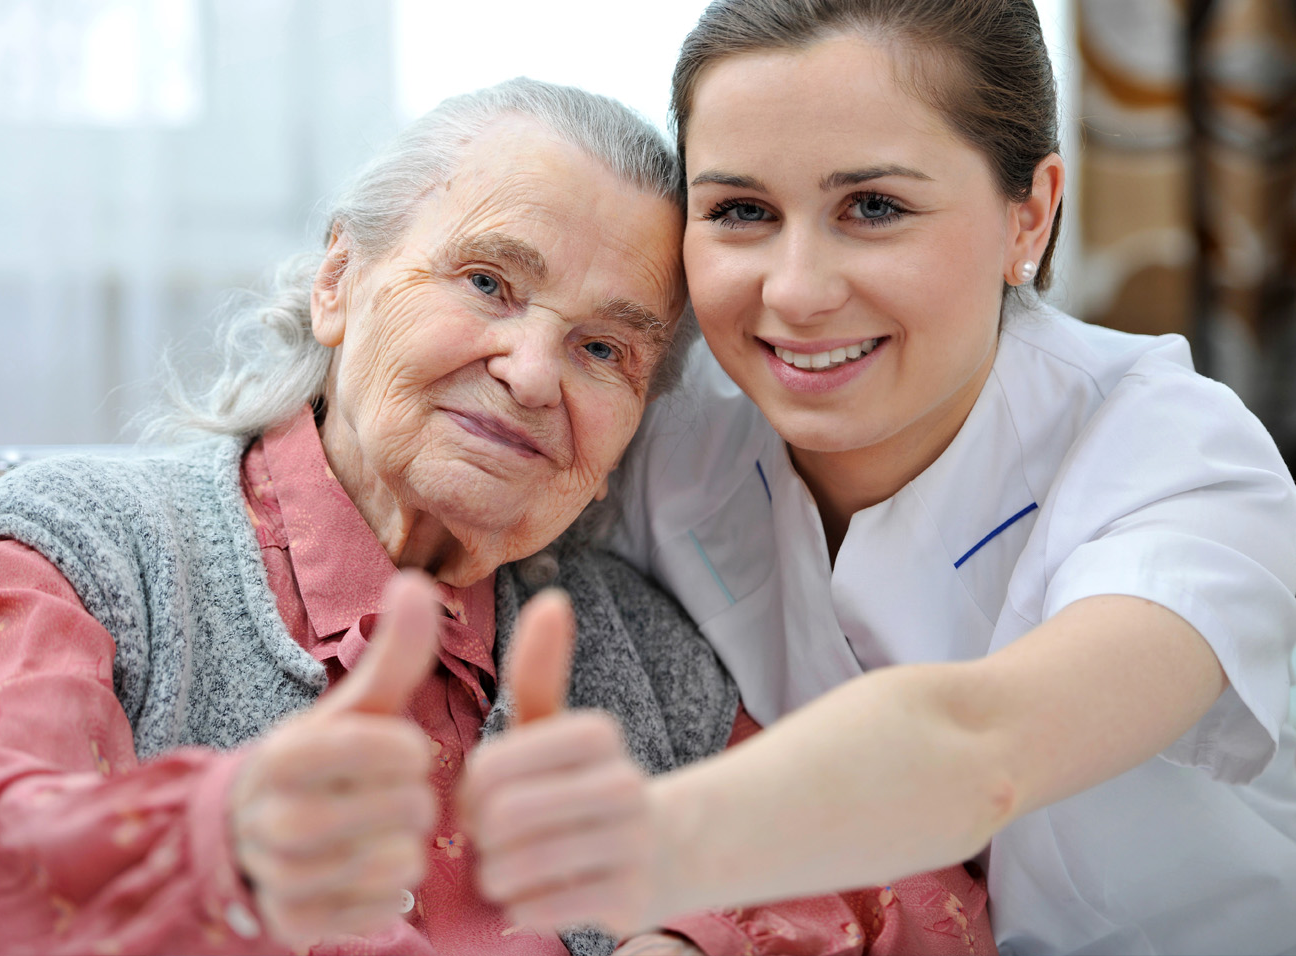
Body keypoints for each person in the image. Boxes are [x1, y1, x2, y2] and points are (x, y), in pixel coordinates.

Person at [0, 76, 994, 956]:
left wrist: (691, 932)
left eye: (604, 350)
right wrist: (219, 841)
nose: (534, 372)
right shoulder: (94, 549)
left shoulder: (638, 652)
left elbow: (918, 885)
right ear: (337, 282)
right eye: (488, 281)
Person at [460, 3, 1296, 954]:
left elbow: (979, 750)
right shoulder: (666, 435)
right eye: (741, 212)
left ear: (1030, 215)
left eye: (874, 208)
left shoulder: (1178, 458)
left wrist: (639, 847)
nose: (796, 292)